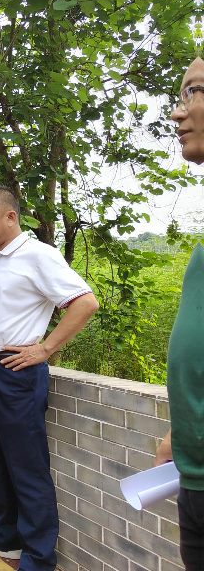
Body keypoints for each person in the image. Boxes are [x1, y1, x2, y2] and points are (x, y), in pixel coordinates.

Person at [0, 186, 99, 571]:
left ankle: (39, 555)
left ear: (11, 217)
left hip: (17, 373)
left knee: (27, 466)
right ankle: (6, 534)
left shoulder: (38, 255)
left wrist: (45, 349)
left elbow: (84, 302)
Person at [154, 57, 204, 571]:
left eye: (193, 92)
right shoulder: (201, 255)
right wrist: (181, 430)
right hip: (193, 477)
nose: (177, 112)